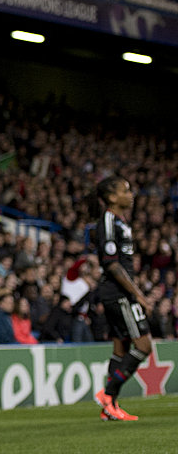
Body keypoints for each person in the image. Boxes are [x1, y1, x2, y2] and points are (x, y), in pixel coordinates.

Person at [92, 175, 154, 421]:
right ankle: (108, 393)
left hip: (119, 292)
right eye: (125, 190)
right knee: (144, 346)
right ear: (111, 197)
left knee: (121, 349)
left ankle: (110, 408)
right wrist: (138, 294)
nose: (131, 194)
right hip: (118, 293)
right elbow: (112, 265)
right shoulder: (108, 220)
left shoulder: (120, 221)